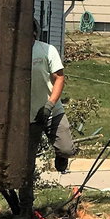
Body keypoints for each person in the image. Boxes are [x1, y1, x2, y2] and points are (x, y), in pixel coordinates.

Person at [31, 21, 79, 174]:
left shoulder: (47, 50)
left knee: (67, 149)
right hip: (29, 117)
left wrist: (50, 104)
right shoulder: (14, 53)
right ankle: (27, 189)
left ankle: (61, 156)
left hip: (52, 111)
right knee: (26, 160)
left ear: (35, 33)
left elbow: (59, 78)